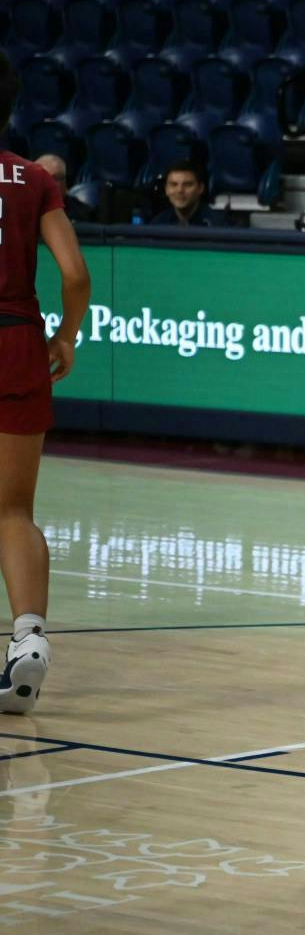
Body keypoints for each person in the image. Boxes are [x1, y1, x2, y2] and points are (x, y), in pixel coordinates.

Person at [0, 61, 90, 716]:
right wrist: (66, 335)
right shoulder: (31, 177)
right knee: (13, 510)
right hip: (17, 342)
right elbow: (75, 272)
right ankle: (28, 635)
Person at [149, 162, 228, 227]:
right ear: (166, 189)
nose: (180, 190)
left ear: (200, 188)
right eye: (173, 184)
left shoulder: (217, 224)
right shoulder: (158, 223)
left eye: (187, 184)